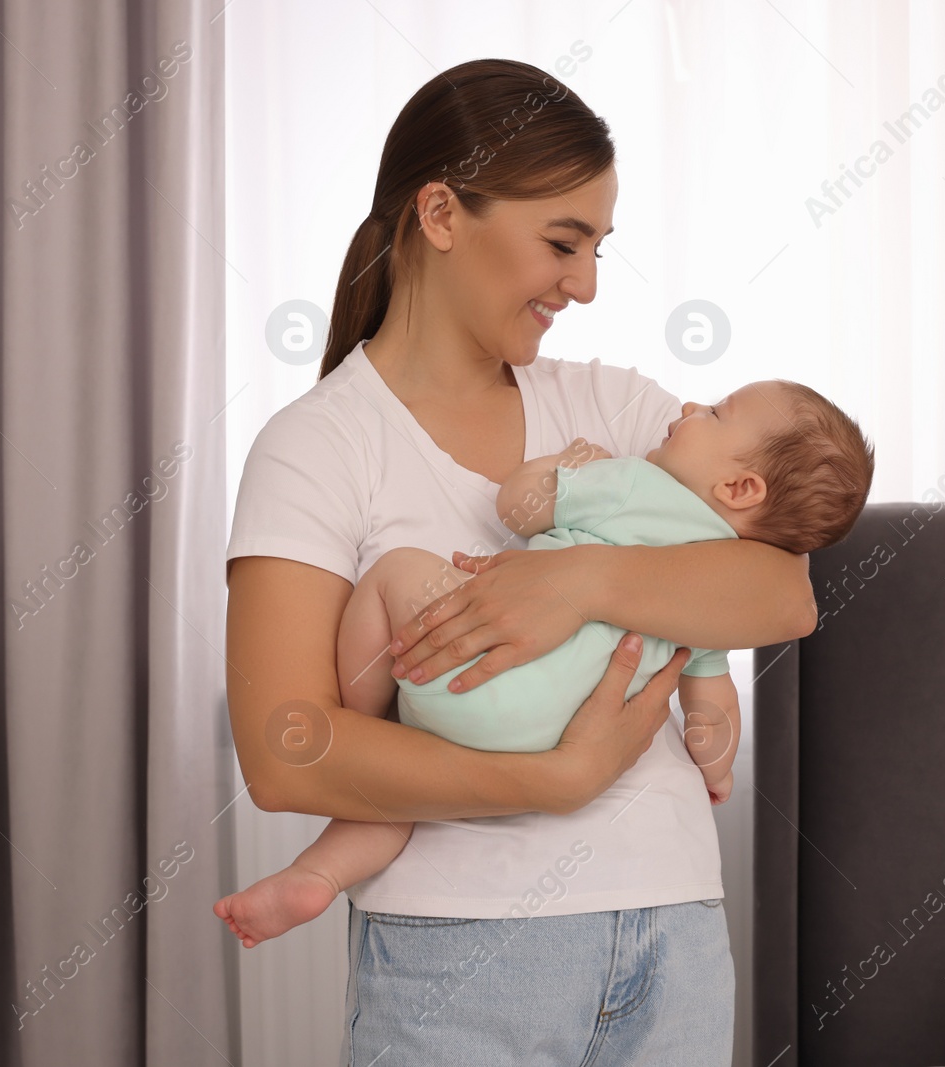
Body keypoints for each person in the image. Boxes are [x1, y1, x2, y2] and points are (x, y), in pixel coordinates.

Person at [221, 57, 820, 1067]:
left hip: (669, 930)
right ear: (442, 212)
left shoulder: (617, 409)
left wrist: (571, 581)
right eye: (562, 242)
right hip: (457, 952)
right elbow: (287, 750)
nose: (584, 284)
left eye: (597, 248)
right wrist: (555, 778)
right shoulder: (317, 445)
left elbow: (780, 590)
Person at [216, 379, 874, 948]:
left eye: (718, 412)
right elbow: (712, 704)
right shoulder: (711, 586)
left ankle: (363, 743)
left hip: (469, 680)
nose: (693, 405)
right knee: (407, 794)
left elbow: (517, 503)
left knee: (397, 575)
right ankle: (320, 874)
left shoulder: (634, 481)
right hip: (556, 732)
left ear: (738, 483)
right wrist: (717, 764)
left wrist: (567, 466)